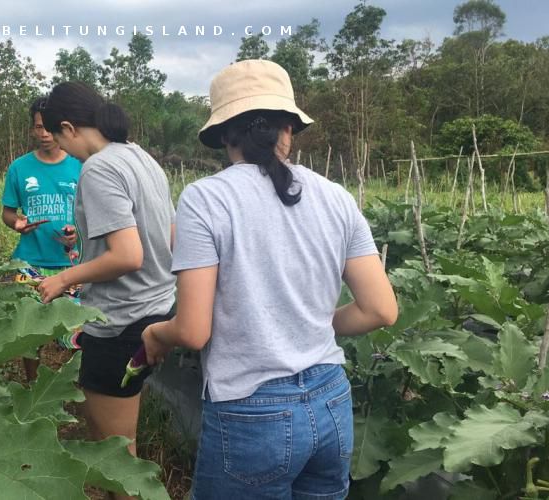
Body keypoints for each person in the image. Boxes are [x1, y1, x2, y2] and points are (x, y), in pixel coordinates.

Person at [140, 60, 398, 499]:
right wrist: (313, 323)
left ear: (224, 134)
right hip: (332, 400)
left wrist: (155, 333)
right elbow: (381, 310)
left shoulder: (206, 198)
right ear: (290, 130)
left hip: (251, 410)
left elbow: (193, 331)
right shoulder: (336, 197)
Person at [36, 82, 176, 480]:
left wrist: (65, 278)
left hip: (121, 320)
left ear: (68, 127)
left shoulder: (98, 168)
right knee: (114, 443)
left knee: (117, 457)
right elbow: (169, 237)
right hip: (156, 308)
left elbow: (127, 256)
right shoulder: (140, 157)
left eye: (60, 138)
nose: (64, 150)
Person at [1, 96, 83, 381]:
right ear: (32, 129)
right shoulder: (19, 168)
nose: (44, 134)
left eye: (48, 127)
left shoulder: (80, 166)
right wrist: (18, 223)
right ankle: (32, 383)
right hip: (29, 263)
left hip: (71, 264)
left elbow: (92, 213)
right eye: (38, 127)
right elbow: (8, 213)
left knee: (75, 328)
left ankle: (67, 382)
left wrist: (77, 233)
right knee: (28, 330)